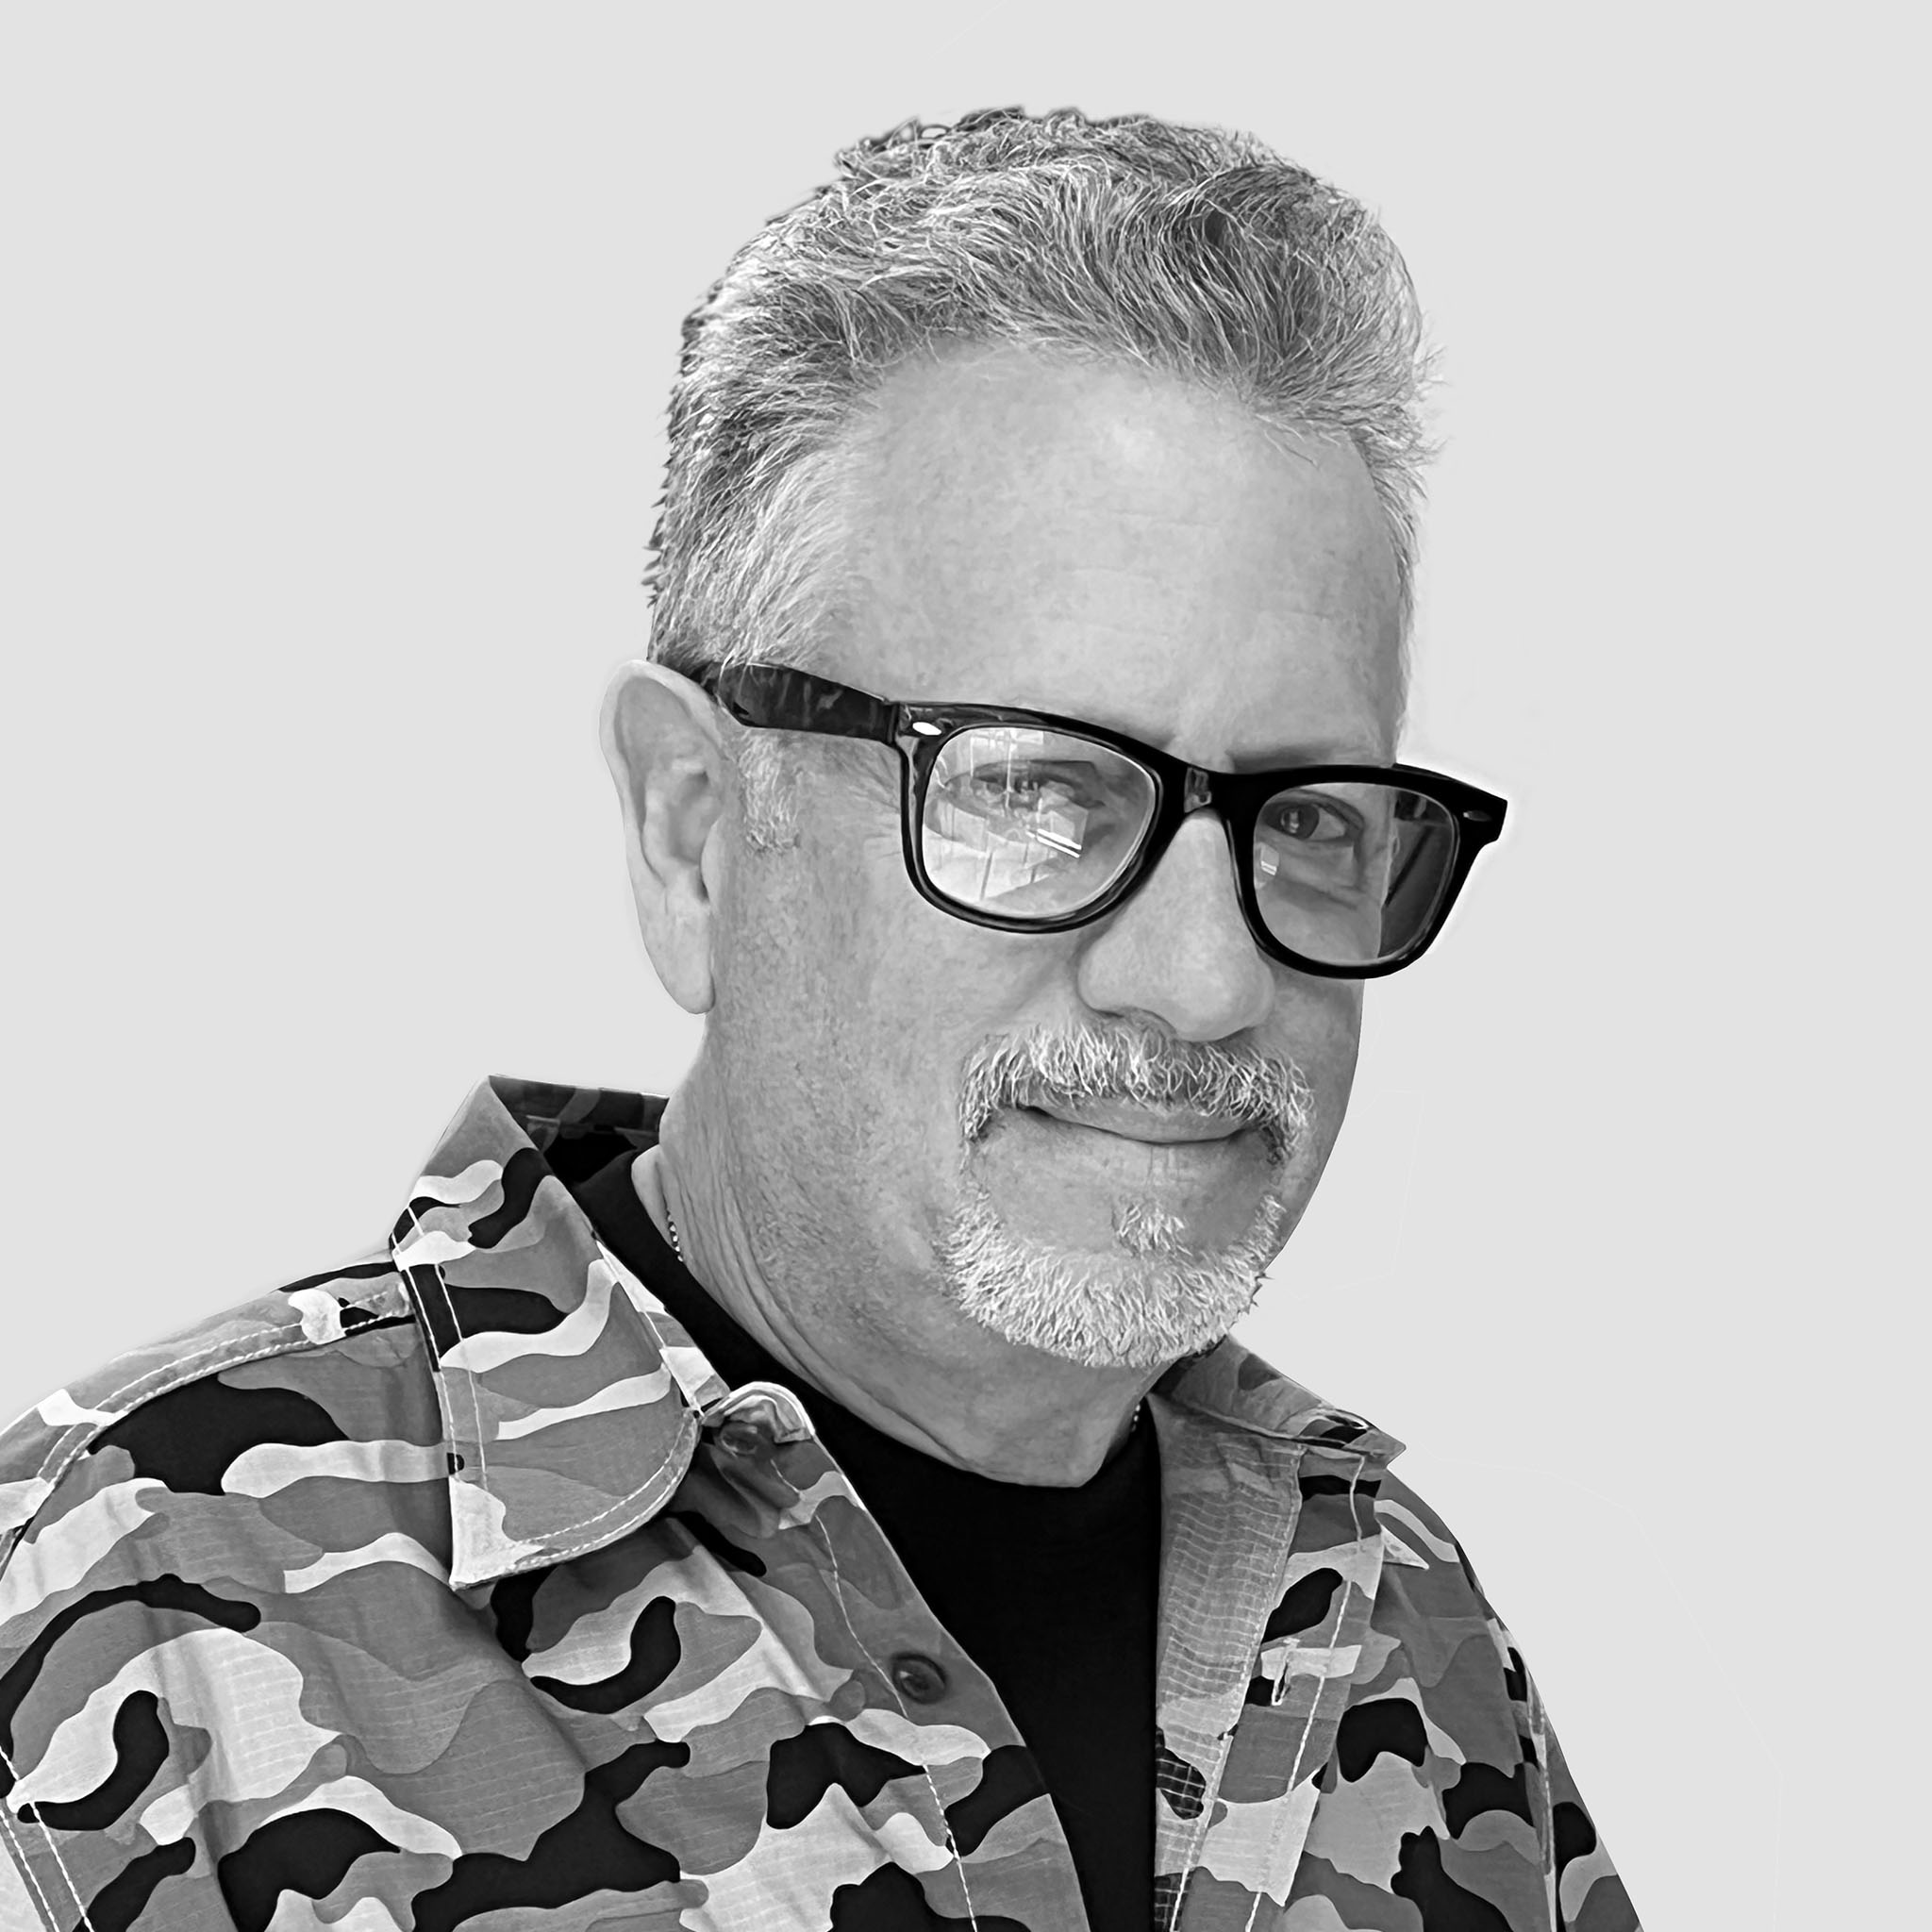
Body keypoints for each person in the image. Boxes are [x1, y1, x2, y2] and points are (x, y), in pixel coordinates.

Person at [0, 108, 1640, 1932]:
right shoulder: (116, 1613)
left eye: (1310, 818)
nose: (1202, 979)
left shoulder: (1396, 1620)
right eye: (1033, 789)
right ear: (695, 833)